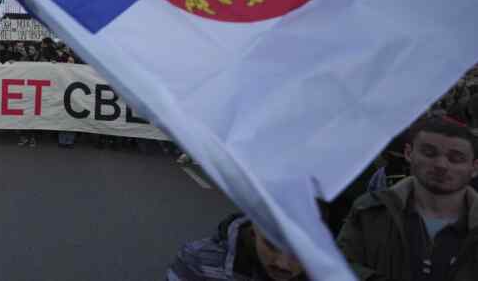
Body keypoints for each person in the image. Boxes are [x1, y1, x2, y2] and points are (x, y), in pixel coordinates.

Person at [337, 116, 478, 280]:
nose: (441, 164)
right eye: (429, 153)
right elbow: (338, 267)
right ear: (408, 153)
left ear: (474, 168)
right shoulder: (369, 211)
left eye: (455, 158)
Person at [166, 213, 306, 280]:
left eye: (302, 253)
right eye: (271, 245)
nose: (283, 264)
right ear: (253, 230)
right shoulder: (197, 261)